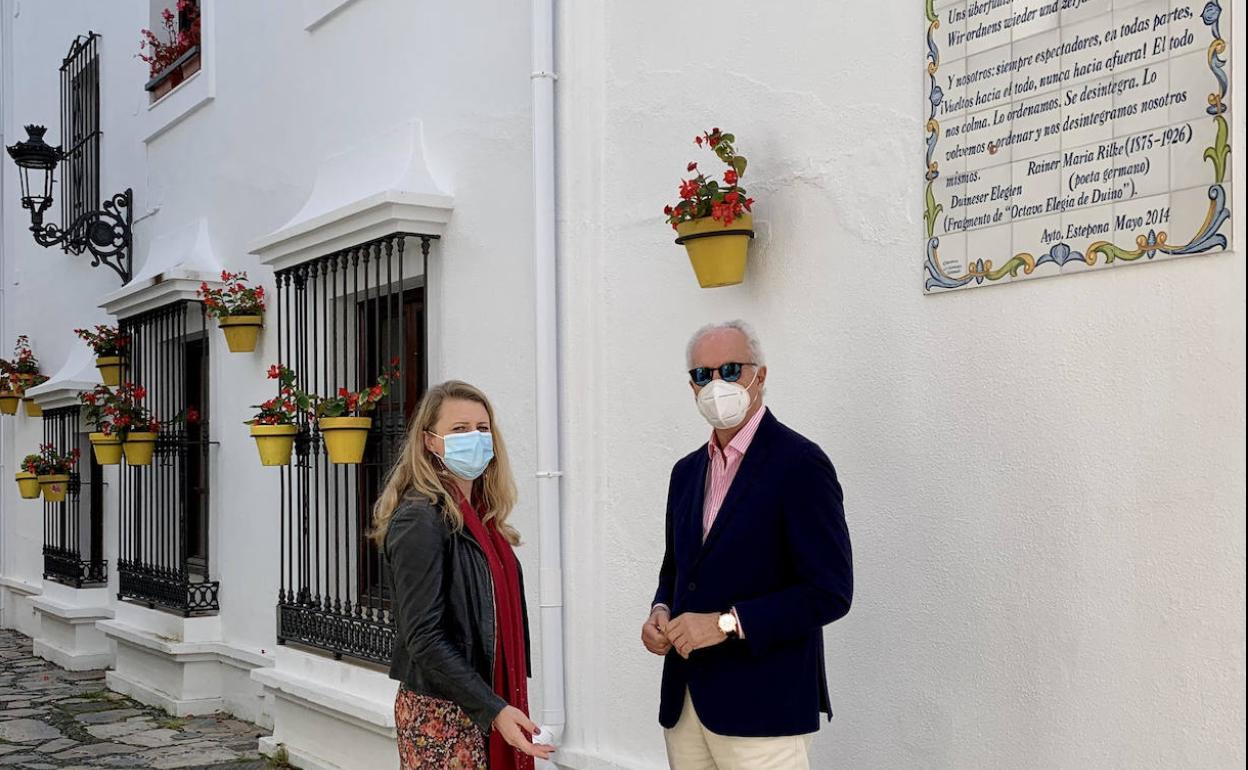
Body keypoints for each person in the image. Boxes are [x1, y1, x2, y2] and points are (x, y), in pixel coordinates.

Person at [642, 320, 853, 770]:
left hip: (765, 708)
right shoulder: (686, 472)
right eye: (703, 375)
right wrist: (660, 610)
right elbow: (676, 571)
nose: (716, 384)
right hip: (686, 705)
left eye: (731, 369)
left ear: (760, 375)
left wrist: (724, 624)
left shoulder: (800, 464)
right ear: (691, 385)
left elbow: (829, 591)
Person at [373, 380, 554, 769]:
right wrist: (493, 707)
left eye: (482, 428)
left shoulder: (485, 521)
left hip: (483, 702)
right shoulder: (419, 519)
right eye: (459, 429)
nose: (474, 437)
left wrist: (495, 706)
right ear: (430, 441)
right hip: (444, 715)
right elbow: (422, 636)